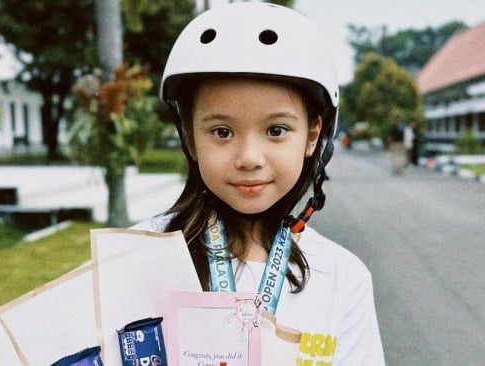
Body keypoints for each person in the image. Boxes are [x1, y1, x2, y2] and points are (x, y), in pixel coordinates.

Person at [133, 3, 385, 364]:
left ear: (313, 135)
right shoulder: (137, 257)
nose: (250, 157)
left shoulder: (344, 279)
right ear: (190, 137)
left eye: (276, 130)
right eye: (222, 132)